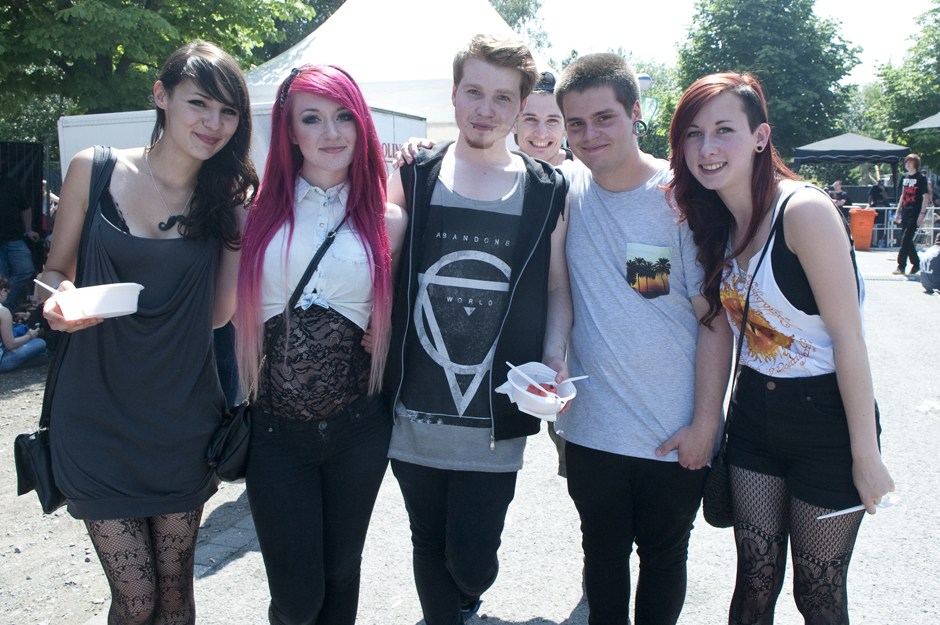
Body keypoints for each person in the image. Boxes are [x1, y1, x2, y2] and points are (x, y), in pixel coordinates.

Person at [41, 41, 256, 625]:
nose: (213, 123)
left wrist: (244, 232)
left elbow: (216, 316)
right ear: (161, 97)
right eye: (199, 104)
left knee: (176, 597)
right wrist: (56, 302)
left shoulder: (227, 204)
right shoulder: (94, 168)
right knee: (134, 601)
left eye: (228, 111)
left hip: (182, 422)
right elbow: (54, 272)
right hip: (95, 418)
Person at [668, 72, 894, 624]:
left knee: (816, 594)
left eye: (725, 130)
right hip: (753, 422)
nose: (708, 148)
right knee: (754, 582)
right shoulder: (715, 220)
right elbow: (714, 327)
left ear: (761, 137)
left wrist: (866, 456)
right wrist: (709, 420)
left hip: (827, 426)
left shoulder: (804, 212)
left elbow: (849, 339)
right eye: (694, 134)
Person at [539, 53, 732, 625]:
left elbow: (713, 321)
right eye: (576, 124)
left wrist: (706, 423)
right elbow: (563, 292)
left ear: (635, 113)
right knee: (601, 555)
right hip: (592, 430)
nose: (589, 135)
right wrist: (553, 357)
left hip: (670, 436)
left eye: (604, 118)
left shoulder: (680, 201)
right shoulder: (568, 191)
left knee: (665, 557)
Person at [384, 34, 570, 625]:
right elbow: (381, 268)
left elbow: (558, 286)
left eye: (501, 98)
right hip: (414, 410)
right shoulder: (415, 173)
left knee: (472, 560)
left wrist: (552, 359)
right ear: (456, 94)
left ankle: (467, 598)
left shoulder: (546, 190)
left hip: (496, 417)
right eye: (474, 92)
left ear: (519, 109)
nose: (485, 110)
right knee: (425, 540)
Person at [235, 64, 407, 625]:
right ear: (289, 132)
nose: (331, 132)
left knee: (341, 577)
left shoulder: (390, 220)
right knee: (297, 596)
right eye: (312, 118)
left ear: (362, 127)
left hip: (360, 427)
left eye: (343, 117)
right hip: (275, 434)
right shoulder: (249, 216)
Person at [512, 71, 572, 167]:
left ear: (566, 127)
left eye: (552, 120)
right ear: (514, 124)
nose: (541, 134)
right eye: (531, 119)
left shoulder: (586, 173)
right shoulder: (495, 176)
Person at [0, 169, 39, 310]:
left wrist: (28, 230)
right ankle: (5, 310)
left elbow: (25, 207)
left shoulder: (11, 184)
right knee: (1, 278)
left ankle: (5, 306)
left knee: (26, 269)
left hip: (14, 238)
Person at [0, 275, 46, 371]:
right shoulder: (3, 311)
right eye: (7, 293)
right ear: (2, 291)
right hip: (2, 362)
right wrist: (30, 335)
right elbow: (10, 344)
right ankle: (26, 362)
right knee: (40, 343)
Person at [894, 153, 929, 275]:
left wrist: (922, 214)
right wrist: (898, 210)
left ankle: (901, 265)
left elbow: (926, 197)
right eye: (906, 161)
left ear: (915, 164)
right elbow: (903, 195)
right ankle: (916, 263)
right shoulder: (904, 177)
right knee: (906, 239)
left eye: (910, 161)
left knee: (905, 239)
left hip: (915, 211)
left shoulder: (921, 178)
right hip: (905, 211)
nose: (907, 164)